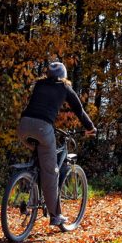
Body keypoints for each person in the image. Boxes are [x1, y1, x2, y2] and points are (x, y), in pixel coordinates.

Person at [17, 61, 96, 226]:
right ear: (64, 76)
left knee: (41, 161)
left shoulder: (39, 84)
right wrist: (90, 127)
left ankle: (33, 188)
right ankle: (55, 215)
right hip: (43, 128)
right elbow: (79, 110)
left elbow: (39, 105)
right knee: (51, 172)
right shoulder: (64, 88)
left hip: (23, 126)